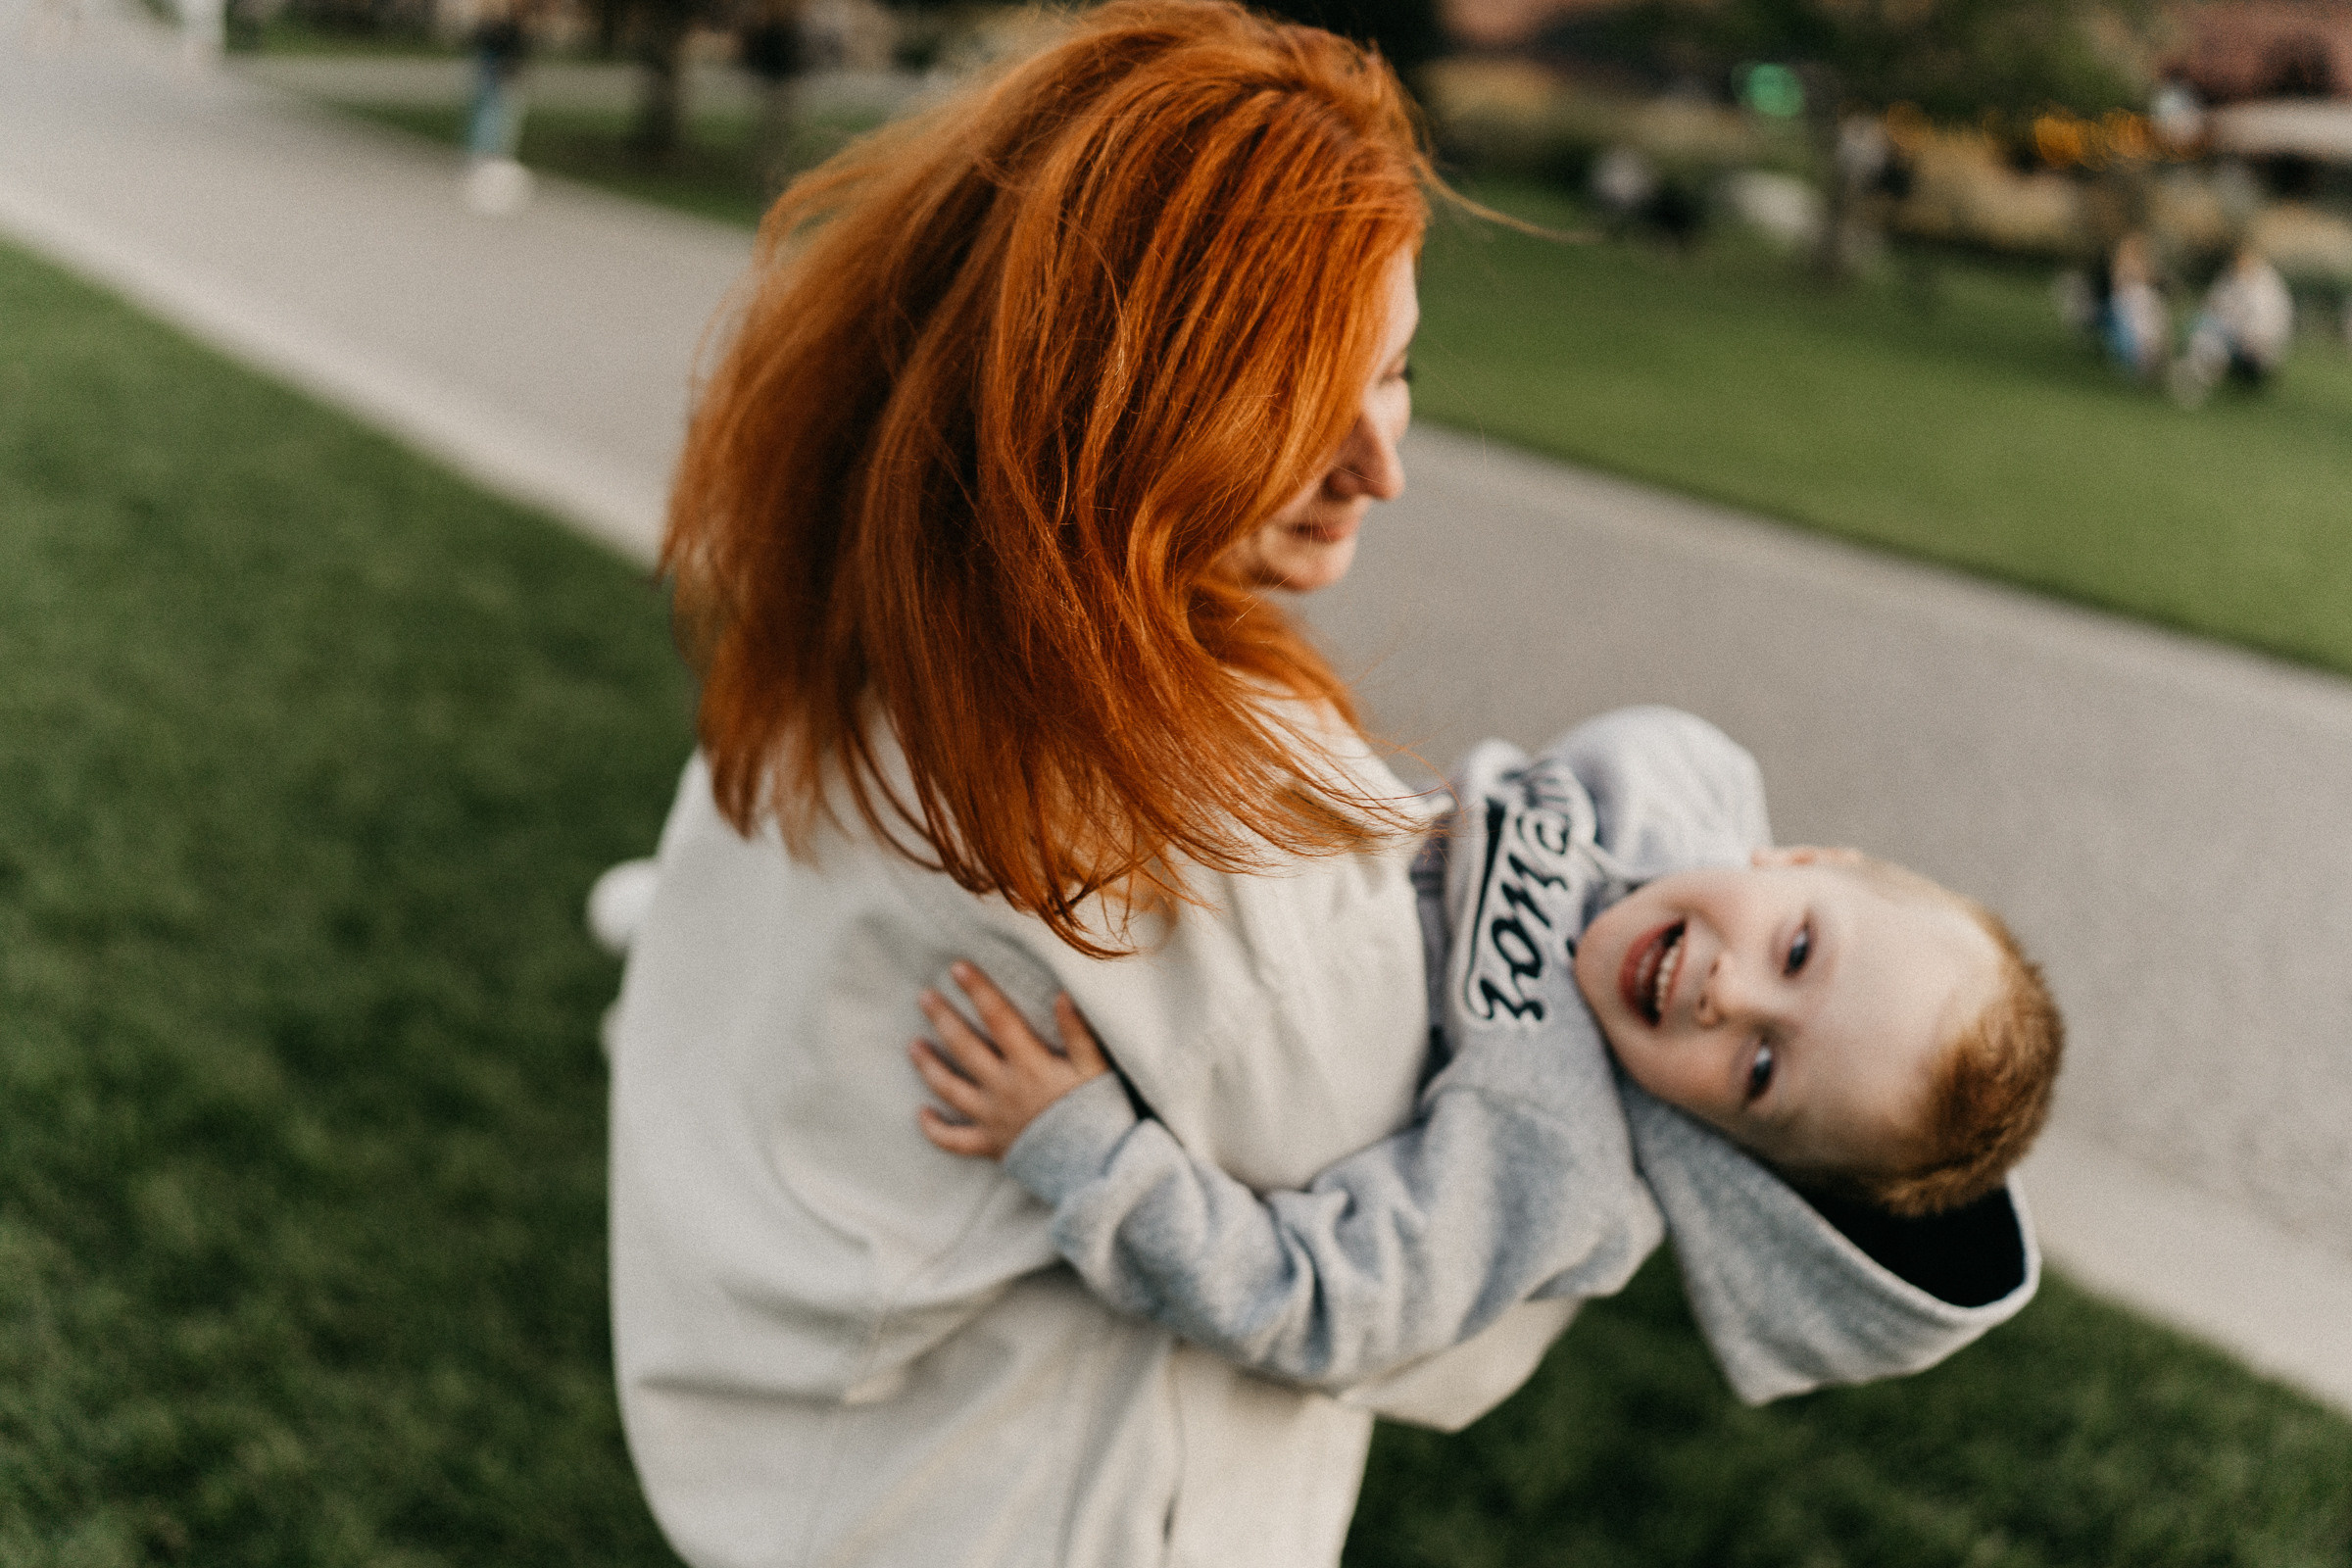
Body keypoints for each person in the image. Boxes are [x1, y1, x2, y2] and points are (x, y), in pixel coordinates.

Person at [606, 7, 2036, 1564]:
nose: (1382, 465)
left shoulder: (874, 601)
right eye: (1299, 409)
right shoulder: (1188, 833)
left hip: (805, 1463)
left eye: (1400, 370)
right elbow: (1436, 1349)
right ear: (1111, 398)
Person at [908, 707, 2057, 1393]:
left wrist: (1092, 1159)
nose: (1726, 991)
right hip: (1206, 827)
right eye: (1799, 949)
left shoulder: (1555, 1149)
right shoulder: (1654, 811)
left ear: (1735, 1150)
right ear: (1799, 859)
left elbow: (1323, 1306)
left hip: (1128, 1023)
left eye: (1762, 1071)